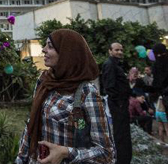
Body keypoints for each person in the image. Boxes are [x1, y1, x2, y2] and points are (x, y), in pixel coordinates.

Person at [15, 29, 115, 164]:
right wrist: (21, 159)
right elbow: (31, 125)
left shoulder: (86, 92)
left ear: (67, 54)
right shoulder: (45, 81)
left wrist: (66, 152)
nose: (43, 50)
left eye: (50, 46)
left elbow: (106, 153)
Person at [101, 42, 132, 164]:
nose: (119, 52)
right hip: (118, 104)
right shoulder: (109, 64)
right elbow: (109, 86)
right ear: (110, 51)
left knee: (124, 133)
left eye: (121, 50)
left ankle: (124, 158)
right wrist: (119, 102)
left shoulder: (116, 64)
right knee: (121, 134)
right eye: (116, 50)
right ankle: (122, 160)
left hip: (121, 103)